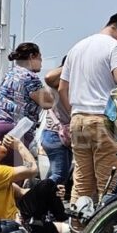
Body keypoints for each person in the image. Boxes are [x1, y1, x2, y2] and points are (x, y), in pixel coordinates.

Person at [58, 12, 117, 204]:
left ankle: (78, 231)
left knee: (82, 183)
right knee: (109, 184)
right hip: (105, 121)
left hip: (78, 120)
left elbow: (63, 88)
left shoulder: (77, 47)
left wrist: (74, 113)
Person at [0, 130, 72, 233]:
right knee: (47, 184)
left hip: (12, 227)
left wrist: (52, 193)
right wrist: (19, 145)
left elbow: (23, 192)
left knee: (58, 230)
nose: (0, 142)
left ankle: (78, 231)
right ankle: (65, 218)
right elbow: (32, 169)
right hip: (9, 229)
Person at [0, 42, 55, 146]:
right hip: (16, 130)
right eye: (40, 58)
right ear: (31, 56)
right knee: (17, 162)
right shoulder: (30, 77)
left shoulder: (9, 74)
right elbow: (48, 103)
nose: (41, 62)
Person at [42, 57, 72, 186]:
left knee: (58, 174)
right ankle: (34, 196)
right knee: (59, 175)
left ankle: (46, 201)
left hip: (55, 134)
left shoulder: (64, 83)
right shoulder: (59, 83)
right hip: (55, 134)